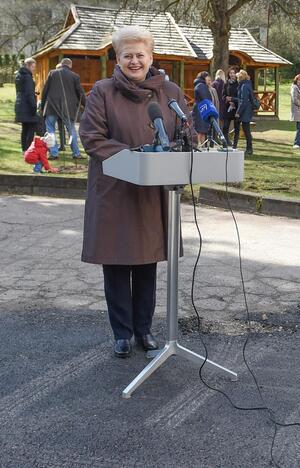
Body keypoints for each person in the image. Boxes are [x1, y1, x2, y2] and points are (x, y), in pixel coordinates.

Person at [79, 25, 190, 358]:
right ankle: (122, 334)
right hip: (115, 190)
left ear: (151, 57)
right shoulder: (102, 92)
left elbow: (187, 132)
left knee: (146, 262)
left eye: (140, 55)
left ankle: (144, 329)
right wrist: (137, 158)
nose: (135, 61)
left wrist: (178, 149)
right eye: (128, 55)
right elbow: (92, 138)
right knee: (116, 263)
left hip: (154, 192)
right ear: (118, 57)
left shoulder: (170, 92)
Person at [39, 58, 85, 160]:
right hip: (68, 108)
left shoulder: (52, 73)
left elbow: (45, 91)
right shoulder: (75, 76)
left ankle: (53, 153)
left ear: (61, 64)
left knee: (50, 130)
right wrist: (86, 105)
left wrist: (42, 107)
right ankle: (76, 154)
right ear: (70, 65)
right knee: (71, 130)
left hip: (51, 106)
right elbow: (80, 93)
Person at [14, 57, 38, 151]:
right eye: (33, 67)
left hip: (20, 104)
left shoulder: (19, 75)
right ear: (28, 66)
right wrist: (34, 107)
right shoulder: (27, 77)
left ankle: (24, 149)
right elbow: (29, 93)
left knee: (25, 128)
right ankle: (28, 150)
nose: (34, 69)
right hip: (27, 106)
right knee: (31, 128)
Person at [234, 69, 254, 155]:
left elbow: (243, 100)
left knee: (246, 130)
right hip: (247, 109)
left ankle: (249, 149)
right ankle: (248, 148)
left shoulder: (244, 86)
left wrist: (238, 112)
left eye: (238, 78)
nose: (237, 79)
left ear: (240, 78)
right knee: (246, 130)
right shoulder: (247, 84)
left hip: (245, 111)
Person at [221, 67, 240, 147]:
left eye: (233, 73)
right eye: (230, 73)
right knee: (225, 127)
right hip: (228, 107)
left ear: (236, 74)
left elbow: (240, 97)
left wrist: (234, 101)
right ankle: (225, 143)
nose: (232, 74)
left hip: (237, 108)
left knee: (237, 127)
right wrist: (228, 100)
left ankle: (235, 145)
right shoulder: (226, 84)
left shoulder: (239, 83)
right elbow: (223, 95)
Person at [192, 71, 210, 147]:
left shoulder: (200, 85)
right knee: (200, 130)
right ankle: (198, 146)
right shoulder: (201, 85)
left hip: (201, 109)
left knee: (202, 131)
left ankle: (202, 146)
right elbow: (205, 97)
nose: (209, 79)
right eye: (208, 78)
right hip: (201, 110)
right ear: (204, 77)